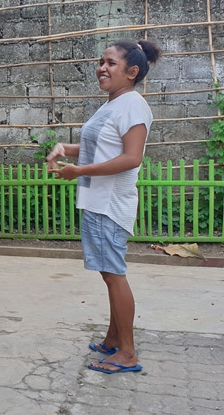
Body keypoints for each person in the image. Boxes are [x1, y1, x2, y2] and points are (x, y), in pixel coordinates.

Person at [46, 39, 161, 375]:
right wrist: (65, 149)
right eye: (101, 62)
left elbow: (130, 158)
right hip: (97, 203)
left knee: (114, 276)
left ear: (132, 71)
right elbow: (100, 147)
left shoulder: (132, 106)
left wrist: (79, 171)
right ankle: (114, 339)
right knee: (108, 274)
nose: (102, 68)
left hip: (110, 205)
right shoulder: (113, 103)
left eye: (111, 63)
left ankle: (127, 353)